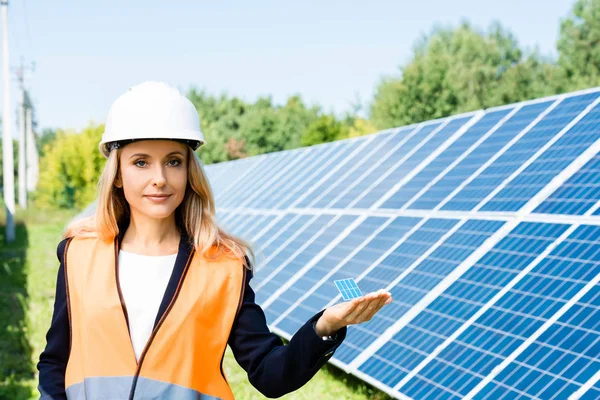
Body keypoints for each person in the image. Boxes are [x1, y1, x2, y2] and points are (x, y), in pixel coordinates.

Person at [37, 81, 393, 400]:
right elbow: (56, 362)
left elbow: (270, 374)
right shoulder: (79, 254)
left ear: (189, 171)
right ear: (117, 174)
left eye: (173, 161)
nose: (159, 178)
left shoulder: (224, 266)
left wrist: (324, 328)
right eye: (141, 162)